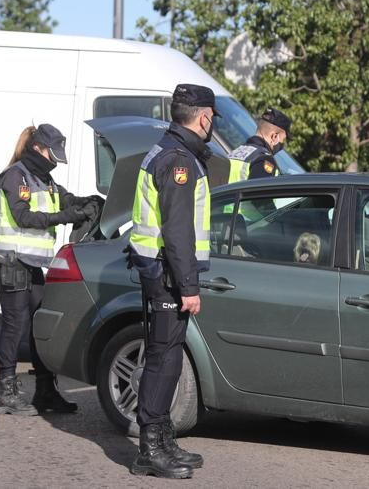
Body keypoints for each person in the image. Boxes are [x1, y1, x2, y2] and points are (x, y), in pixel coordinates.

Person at [127, 84, 215, 479]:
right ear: (205, 117)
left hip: (162, 271)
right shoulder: (178, 160)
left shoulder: (169, 151)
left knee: (169, 356)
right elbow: (178, 231)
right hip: (167, 274)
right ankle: (150, 449)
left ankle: (162, 439)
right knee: (163, 360)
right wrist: (189, 286)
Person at [0, 123, 100, 416]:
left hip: (33, 263)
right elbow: (23, 217)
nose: (55, 160)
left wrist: (90, 203)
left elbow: (67, 200)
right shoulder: (16, 176)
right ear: (38, 148)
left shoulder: (44, 179)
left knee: (39, 327)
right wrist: (64, 217)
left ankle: (46, 391)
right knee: (15, 327)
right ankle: (7, 394)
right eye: (53, 153)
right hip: (11, 262)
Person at [226, 108, 292, 183]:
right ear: (274, 137)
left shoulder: (236, 151)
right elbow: (258, 193)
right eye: (283, 139)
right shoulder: (264, 159)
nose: (283, 143)